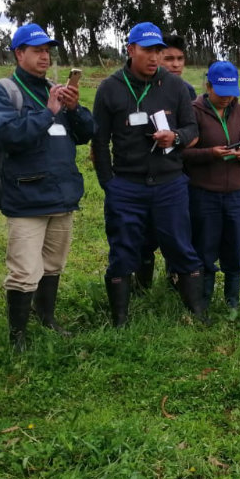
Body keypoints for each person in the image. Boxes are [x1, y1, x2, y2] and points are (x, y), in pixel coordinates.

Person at [0, 23, 96, 352]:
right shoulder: (4, 91)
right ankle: (17, 335)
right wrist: (48, 112)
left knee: (53, 264)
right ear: (19, 54)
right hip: (26, 196)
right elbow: (9, 135)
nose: (44, 56)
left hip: (62, 194)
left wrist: (73, 109)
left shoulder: (55, 90)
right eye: (37, 50)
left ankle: (46, 317)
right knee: (23, 271)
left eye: (47, 50)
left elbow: (87, 133)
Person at [92, 22, 205, 327]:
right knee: (123, 249)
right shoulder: (110, 88)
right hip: (127, 185)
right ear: (130, 50)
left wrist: (176, 138)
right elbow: (99, 141)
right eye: (147, 51)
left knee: (181, 245)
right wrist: (109, 184)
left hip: (170, 183)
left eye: (158, 51)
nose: (154, 58)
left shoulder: (176, 87)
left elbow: (192, 128)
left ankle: (196, 313)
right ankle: (120, 318)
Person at [182, 61, 240, 320]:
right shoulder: (192, 112)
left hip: (237, 193)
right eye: (221, 92)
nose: (227, 98)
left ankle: (232, 302)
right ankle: (202, 303)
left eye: (232, 92)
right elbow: (182, 153)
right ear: (208, 86)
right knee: (204, 247)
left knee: (235, 245)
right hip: (204, 193)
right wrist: (211, 154)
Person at [134, 32, 197, 292]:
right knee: (145, 234)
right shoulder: (138, 87)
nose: (175, 64)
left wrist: (179, 140)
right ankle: (141, 285)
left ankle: (175, 279)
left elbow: (193, 132)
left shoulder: (188, 91)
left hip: (179, 173)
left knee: (177, 232)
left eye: (180, 59)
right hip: (143, 174)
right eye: (169, 58)